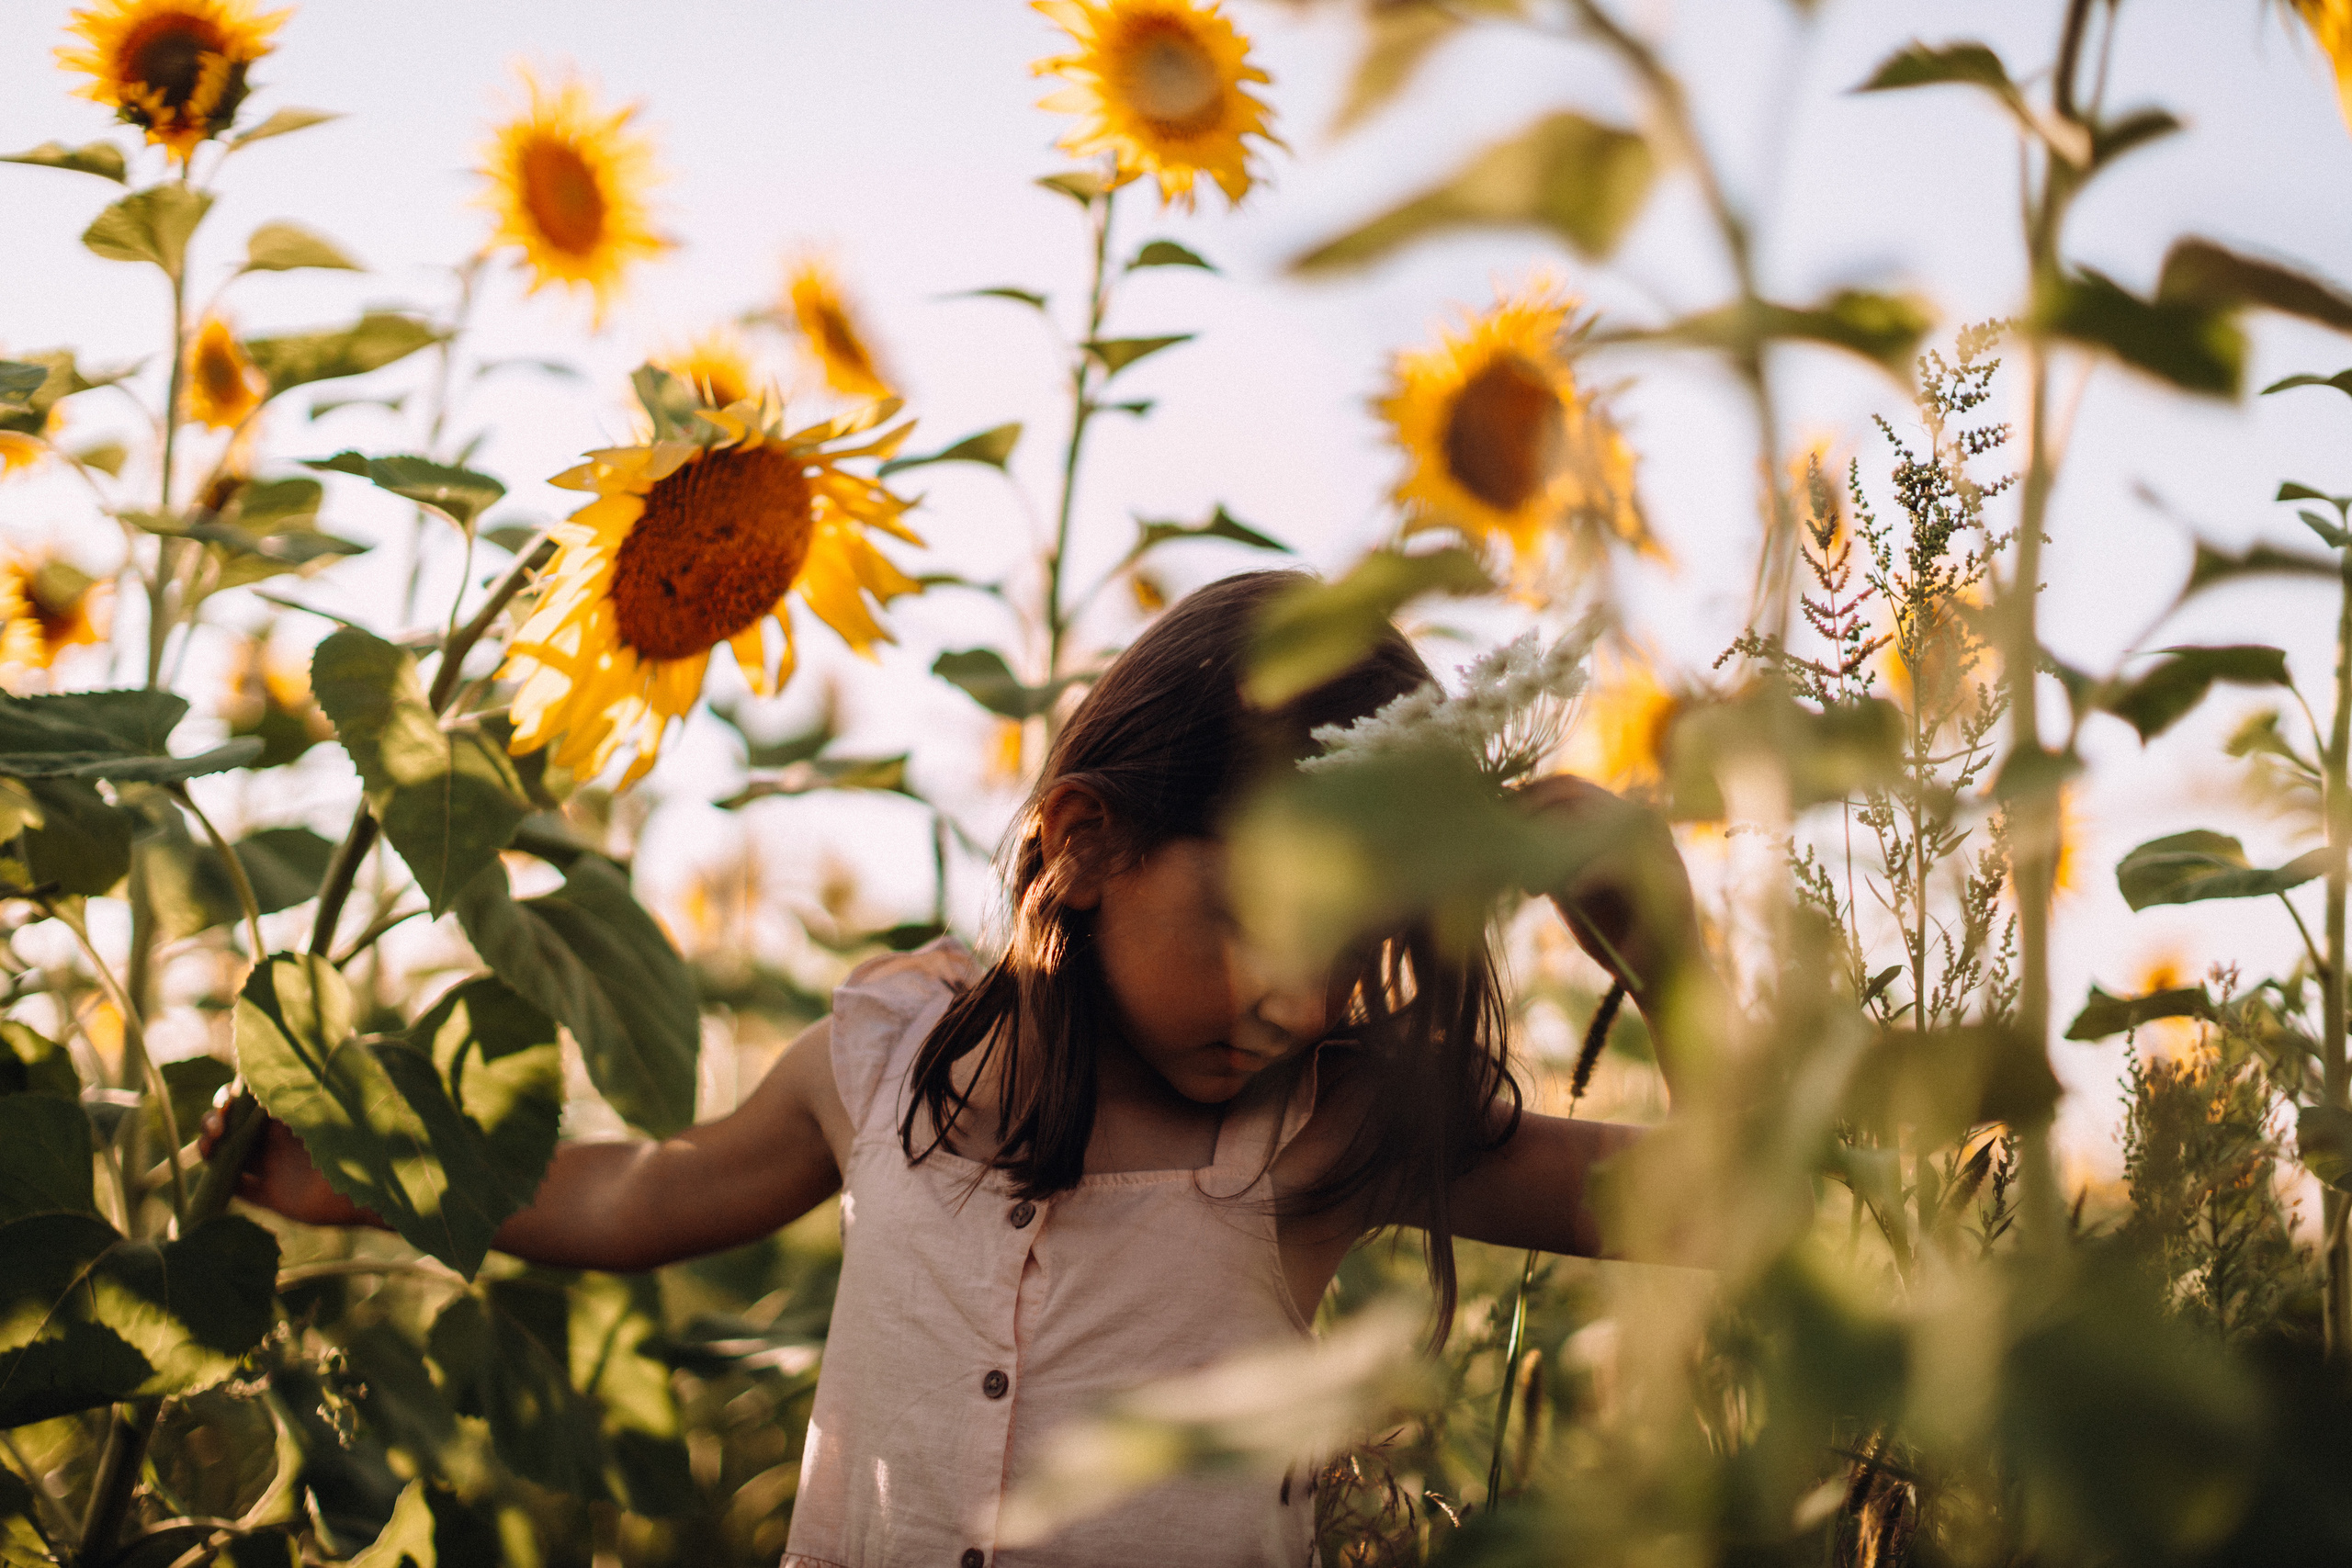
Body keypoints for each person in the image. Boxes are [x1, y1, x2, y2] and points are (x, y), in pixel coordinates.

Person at [208, 570, 1714, 1568]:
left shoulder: (1320, 1131)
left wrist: (1669, 956)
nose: (1304, 995)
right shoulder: (888, 1052)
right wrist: (380, 1178)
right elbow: (642, 1198)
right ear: (1086, 839)